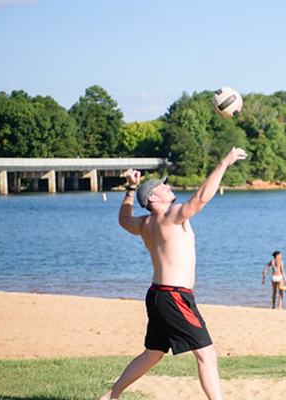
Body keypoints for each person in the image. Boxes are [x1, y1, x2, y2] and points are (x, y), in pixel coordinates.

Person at [99, 147, 247, 400]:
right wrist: (225, 162)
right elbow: (201, 198)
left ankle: (110, 396)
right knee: (207, 354)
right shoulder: (169, 217)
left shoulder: (144, 223)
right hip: (174, 296)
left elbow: (124, 219)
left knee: (153, 353)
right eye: (162, 187)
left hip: (158, 294)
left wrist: (130, 189)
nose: (167, 187)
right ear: (153, 200)